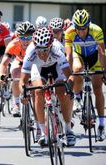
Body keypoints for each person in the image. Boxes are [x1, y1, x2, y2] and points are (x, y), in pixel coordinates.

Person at [19, 27, 75, 147]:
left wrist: (69, 88)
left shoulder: (57, 50)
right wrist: (23, 94)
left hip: (56, 67)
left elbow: (70, 75)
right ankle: (44, 131)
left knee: (61, 91)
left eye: (45, 50)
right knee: (38, 92)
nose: (42, 54)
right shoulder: (31, 53)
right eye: (39, 50)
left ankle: (68, 129)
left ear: (50, 46)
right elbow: (22, 80)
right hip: (39, 69)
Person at [65, 9, 106, 141]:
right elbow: (69, 55)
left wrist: (104, 72)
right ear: (74, 26)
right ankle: (77, 98)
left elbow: (102, 53)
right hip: (79, 55)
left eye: (84, 28)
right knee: (76, 68)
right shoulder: (69, 32)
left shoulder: (96, 30)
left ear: (89, 25)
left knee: (98, 89)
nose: (81, 32)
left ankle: (101, 125)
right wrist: (69, 75)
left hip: (95, 57)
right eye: (78, 28)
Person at [0, 21, 35, 117]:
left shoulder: (37, 44)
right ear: (18, 37)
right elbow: (4, 63)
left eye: (29, 38)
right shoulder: (13, 44)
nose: (26, 41)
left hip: (34, 64)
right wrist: (1, 75)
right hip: (19, 61)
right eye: (22, 38)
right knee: (15, 74)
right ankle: (16, 103)